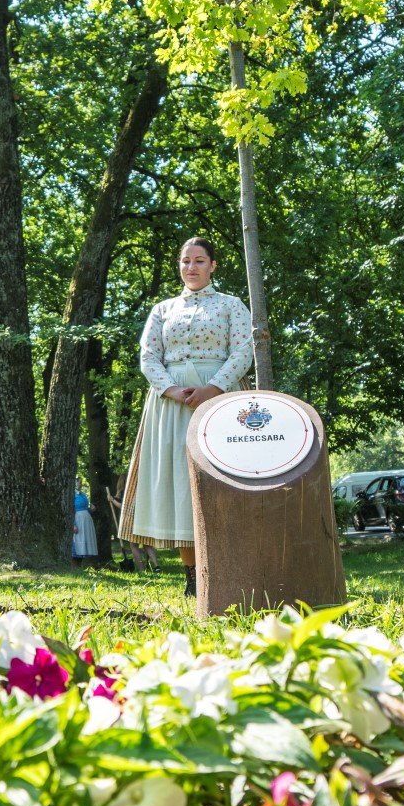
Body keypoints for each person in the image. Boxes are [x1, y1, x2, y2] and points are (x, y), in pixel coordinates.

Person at [117, 237, 253, 596]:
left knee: (221, 479)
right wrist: (172, 390)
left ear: (213, 266)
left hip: (220, 403)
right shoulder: (163, 309)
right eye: (185, 261)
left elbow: (243, 352)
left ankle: (230, 565)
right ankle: (193, 575)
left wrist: (213, 387)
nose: (191, 267)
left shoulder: (231, 306)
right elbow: (148, 356)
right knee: (181, 483)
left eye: (198, 261)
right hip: (172, 404)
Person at [73, 482, 98, 564]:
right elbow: (69, 510)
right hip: (78, 521)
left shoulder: (82, 494)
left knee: (83, 543)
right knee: (77, 541)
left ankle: (79, 566)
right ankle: (74, 566)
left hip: (86, 522)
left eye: (81, 482)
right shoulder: (72, 495)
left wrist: (91, 510)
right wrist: (73, 524)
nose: (80, 484)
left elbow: (84, 509)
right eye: (78, 482)